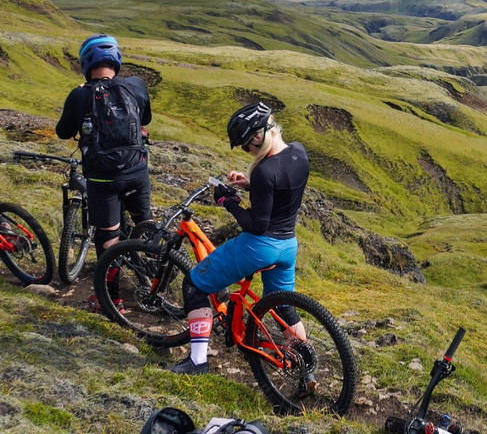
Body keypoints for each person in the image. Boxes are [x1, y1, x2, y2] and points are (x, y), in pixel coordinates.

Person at [170, 101, 310, 374]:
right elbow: (282, 190)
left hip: (259, 246)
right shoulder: (298, 153)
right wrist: (250, 185)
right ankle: (304, 363)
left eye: (247, 146)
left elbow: (256, 225)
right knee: (282, 304)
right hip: (287, 245)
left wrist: (228, 202)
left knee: (194, 285)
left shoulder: (264, 171)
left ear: (258, 136)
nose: (248, 151)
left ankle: (197, 361)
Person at [56, 34, 153, 311]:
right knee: (144, 221)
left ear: (86, 63)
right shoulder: (135, 85)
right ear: (117, 60)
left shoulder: (80, 94)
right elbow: (145, 120)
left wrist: (80, 97)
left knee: (108, 237)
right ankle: (158, 274)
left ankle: (112, 300)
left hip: (102, 178)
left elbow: (63, 133)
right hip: (137, 170)